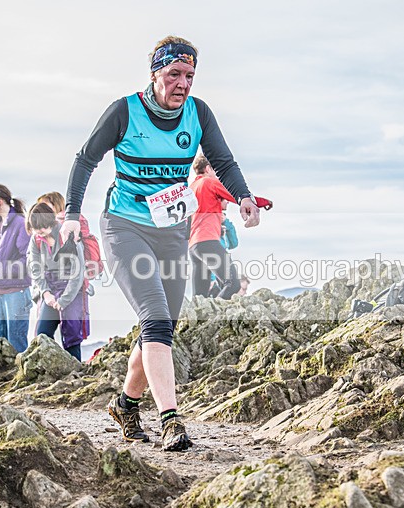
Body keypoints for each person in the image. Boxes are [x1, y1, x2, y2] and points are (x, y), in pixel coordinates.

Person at [61, 35, 260, 452]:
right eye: (174, 75)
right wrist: (72, 215)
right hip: (124, 227)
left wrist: (242, 196)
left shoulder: (197, 113)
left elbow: (222, 160)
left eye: (189, 76)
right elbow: (85, 159)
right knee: (154, 318)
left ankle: (125, 405)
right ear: (155, 74)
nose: (182, 84)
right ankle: (171, 419)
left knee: (162, 329)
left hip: (172, 232)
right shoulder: (124, 111)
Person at [26, 203, 88, 361]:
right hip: (50, 287)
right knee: (42, 333)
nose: (39, 231)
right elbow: (36, 269)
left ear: (50, 222)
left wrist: (64, 300)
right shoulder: (37, 239)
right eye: (36, 228)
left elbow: (77, 272)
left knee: (72, 334)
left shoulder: (67, 235)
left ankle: (76, 372)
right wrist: (46, 294)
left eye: (42, 227)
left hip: (71, 288)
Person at [0, 184, 31, 353]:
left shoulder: (20, 223)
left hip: (16, 293)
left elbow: (28, 259)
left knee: (16, 343)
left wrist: (2, 270)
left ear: (0, 200)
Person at [189, 154, 240, 299]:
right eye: (215, 170)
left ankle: (201, 320)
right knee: (232, 284)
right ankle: (215, 319)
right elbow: (234, 194)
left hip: (193, 246)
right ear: (208, 168)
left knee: (200, 297)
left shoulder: (192, 188)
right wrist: (259, 202)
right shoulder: (209, 182)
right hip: (207, 240)